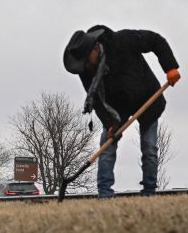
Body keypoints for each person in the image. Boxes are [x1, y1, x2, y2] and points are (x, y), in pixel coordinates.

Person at [63, 25, 181, 198]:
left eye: (87, 60)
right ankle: (104, 194)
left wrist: (169, 67)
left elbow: (155, 40)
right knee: (107, 145)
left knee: (149, 147)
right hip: (116, 108)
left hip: (146, 95)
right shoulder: (86, 69)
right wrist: (110, 124)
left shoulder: (122, 40)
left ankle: (149, 191)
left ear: (95, 47)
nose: (86, 66)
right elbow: (95, 98)